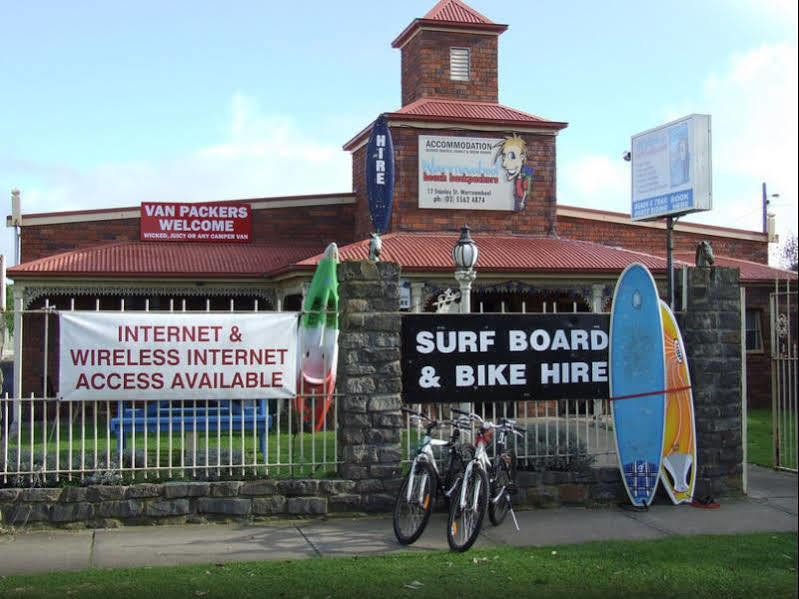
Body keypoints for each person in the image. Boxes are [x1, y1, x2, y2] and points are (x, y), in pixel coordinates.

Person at [494, 134, 534, 211]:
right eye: (504, 157)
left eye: (512, 157)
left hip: (519, 199)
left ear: (522, 157)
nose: (504, 164)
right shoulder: (518, 173)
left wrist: (522, 202)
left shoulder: (526, 173)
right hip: (516, 198)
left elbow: (526, 190)